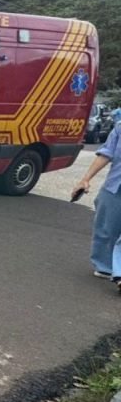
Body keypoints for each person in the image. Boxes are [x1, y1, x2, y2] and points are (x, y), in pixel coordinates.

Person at [75, 123, 121, 293]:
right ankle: (105, 267)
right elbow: (106, 153)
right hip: (115, 185)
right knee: (105, 228)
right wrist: (85, 179)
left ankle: (119, 274)